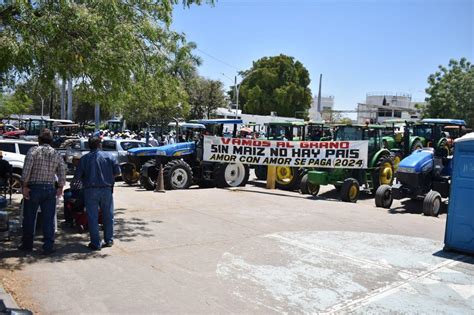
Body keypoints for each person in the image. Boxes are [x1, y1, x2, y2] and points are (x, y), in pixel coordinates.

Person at [18, 129, 66, 255]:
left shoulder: (33, 151)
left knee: (29, 218)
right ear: (51, 141)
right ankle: (48, 246)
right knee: (48, 219)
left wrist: (24, 186)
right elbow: (62, 172)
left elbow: (26, 170)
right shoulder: (56, 153)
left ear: (39, 140)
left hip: (34, 188)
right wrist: (60, 187)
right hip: (50, 189)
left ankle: (27, 245)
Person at [75, 137, 121, 250]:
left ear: (89, 146)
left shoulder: (84, 159)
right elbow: (117, 173)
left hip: (90, 190)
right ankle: (109, 240)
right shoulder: (110, 156)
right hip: (106, 189)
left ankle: (96, 243)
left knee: (92, 217)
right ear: (100, 145)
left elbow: (78, 177)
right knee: (108, 216)